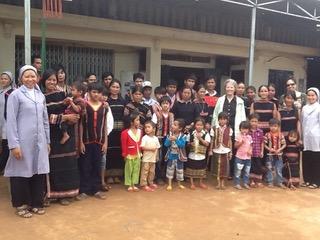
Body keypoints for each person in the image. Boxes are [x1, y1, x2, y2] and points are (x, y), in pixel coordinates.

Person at [5, 65, 50, 218]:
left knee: (38, 171)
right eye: (26, 76)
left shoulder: (40, 95)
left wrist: (47, 141)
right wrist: (14, 145)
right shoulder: (15, 95)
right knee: (21, 173)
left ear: (37, 78)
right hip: (22, 142)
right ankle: (21, 205)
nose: (30, 79)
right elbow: (10, 121)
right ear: (20, 78)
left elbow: (45, 121)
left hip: (39, 141)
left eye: (33, 76)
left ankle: (36, 203)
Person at [42, 69, 80, 206]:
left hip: (65, 133)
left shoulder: (63, 94)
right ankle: (51, 194)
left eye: (54, 80)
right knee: (53, 165)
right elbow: (45, 118)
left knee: (67, 163)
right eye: (49, 80)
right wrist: (65, 117)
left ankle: (65, 194)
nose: (52, 82)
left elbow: (74, 111)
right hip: (50, 134)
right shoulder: (41, 97)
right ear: (43, 81)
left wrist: (70, 118)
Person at [78, 82, 108, 200]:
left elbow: (105, 126)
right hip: (86, 141)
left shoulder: (104, 107)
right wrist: (80, 142)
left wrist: (106, 142)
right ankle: (84, 190)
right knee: (85, 165)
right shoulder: (84, 106)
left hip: (99, 141)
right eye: (94, 92)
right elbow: (80, 125)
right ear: (89, 92)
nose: (96, 94)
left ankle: (96, 189)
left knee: (97, 165)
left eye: (98, 92)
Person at [212, 79, 246, 177]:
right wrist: (215, 127)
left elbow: (242, 116)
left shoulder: (240, 101)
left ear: (235, 88)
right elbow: (215, 114)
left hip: (235, 128)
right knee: (222, 148)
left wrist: (242, 129)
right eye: (228, 87)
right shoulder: (220, 100)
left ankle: (230, 172)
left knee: (233, 150)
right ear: (225, 88)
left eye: (231, 87)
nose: (229, 89)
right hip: (222, 128)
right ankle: (220, 172)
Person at [106, 80, 126, 185]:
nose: (115, 89)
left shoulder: (123, 102)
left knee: (119, 152)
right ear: (109, 88)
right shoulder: (106, 101)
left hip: (120, 131)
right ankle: (109, 175)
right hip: (110, 131)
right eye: (113, 87)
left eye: (117, 87)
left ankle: (118, 175)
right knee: (110, 152)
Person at [152, 95, 174, 184]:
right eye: (163, 103)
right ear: (160, 105)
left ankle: (165, 175)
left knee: (167, 156)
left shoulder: (171, 115)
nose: (165, 105)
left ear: (170, 105)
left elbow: (173, 127)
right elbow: (153, 126)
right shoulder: (156, 114)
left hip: (168, 138)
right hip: (158, 138)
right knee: (158, 157)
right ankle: (158, 176)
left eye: (167, 103)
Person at [301, 87, 320, 189]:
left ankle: (316, 181)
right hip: (306, 137)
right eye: (309, 95)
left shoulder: (319, 108)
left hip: (317, 138)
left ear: (317, 96)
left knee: (316, 159)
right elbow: (303, 122)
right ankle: (307, 180)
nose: (311, 97)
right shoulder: (304, 108)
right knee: (306, 158)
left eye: (313, 95)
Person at [209, 112, 233, 190]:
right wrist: (210, 150)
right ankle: (218, 183)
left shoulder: (229, 129)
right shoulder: (214, 128)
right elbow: (212, 140)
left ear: (227, 120)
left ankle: (223, 183)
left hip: (226, 150)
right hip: (216, 149)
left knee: (224, 166)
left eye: (224, 119)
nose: (222, 121)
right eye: (221, 119)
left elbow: (230, 140)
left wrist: (231, 151)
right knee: (217, 166)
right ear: (218, 120)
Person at [185, 117, 210, 190]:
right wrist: (190, 144)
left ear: (203, 126)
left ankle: (200, 182)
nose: (199, 126)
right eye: (197, 125)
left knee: (201, 169)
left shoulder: (206, 134)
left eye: (201, 125)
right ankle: (192, 183)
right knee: (191, 169)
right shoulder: (191, 134)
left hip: (201, 155)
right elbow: (187, 143)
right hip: (192, 155)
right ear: (195, 125)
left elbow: (207, 144)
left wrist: (200, 138)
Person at [121, 112, 143, 192]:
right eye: (137, 120)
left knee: (136, 169)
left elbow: (140, 142)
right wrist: (124, 154)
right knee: (129, 169)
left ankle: (134, 183)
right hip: (129, 154)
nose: (139, 122)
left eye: (139, 120)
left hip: (137, 153)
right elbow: (123, 145)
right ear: (131, 122)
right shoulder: (125, 132)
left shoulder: (140, 131)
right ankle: (129, 184)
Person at [164, 118, 187, 191]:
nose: (172, 126)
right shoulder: (169, 135)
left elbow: (182, 145)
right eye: (173, 124)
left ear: (180, 128)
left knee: (179, 170)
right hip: (171, 156)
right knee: (170, 170)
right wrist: (169, 140)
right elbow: (166, 144)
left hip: (179, 157)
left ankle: (179, 184)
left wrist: (176, 139)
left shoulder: (183, 136)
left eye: (175, 125)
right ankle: (170, 184)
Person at [264, 118, 286, 188]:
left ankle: (280, 182)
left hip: (279, 155)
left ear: (278, 127)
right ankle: (270, 182)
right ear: (269, 126)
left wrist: (279, 149)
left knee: (279, 169)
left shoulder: (281, 135)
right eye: (271, 126)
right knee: (269, 168)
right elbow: (264, 144)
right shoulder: (267, 135)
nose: (273, 128)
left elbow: (284, 144)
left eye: (275, 126)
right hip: (270, 155)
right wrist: (270, 149)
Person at [0, 71, 15, 172]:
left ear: (10, 80)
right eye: (2, 78)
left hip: (6, 122)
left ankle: (3, 167)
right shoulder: (1, 92)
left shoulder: (11, 93)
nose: (3, 80)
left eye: (6, 78)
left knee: (6, 145)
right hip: (0, 121)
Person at [140, 121, 161, 192]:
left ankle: (150, 183)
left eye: (149, 127)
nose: (146, 129)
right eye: (145, 127)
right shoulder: (144, 138)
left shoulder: (155, 138)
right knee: (145, 172)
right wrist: (151, 149)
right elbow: (142, 147)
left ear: (154, 129)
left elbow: (157, 148)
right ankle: (143, 184)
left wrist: (157, 156)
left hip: (153, 159)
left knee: (152, 172)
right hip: (146, 159)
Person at [233, 121, 252, 190]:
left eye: (246, 129)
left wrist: (250, 151)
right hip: (239, 157)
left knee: (247, 171)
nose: (244, 130)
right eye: (243, 128)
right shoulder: (238, 136)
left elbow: (251, 145)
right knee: (238, 171)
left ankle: (245, 183)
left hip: (248, 158)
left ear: (248, 129)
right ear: (240, 129)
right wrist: (241, 143)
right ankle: (237, 184)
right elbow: (235, 146)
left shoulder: (249, 137)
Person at [248, 113, 265, 187]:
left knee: (258, 167)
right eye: (252, 121)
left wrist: (262, 151)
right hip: (250, 153)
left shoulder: (260, 131)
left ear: (258, 122)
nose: (254, 123)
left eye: (255, 121)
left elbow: (262, 142)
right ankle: (251, 181)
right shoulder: (248, 132)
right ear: (249, 122)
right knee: (251, 167)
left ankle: (258, 181)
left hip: (258, 152)